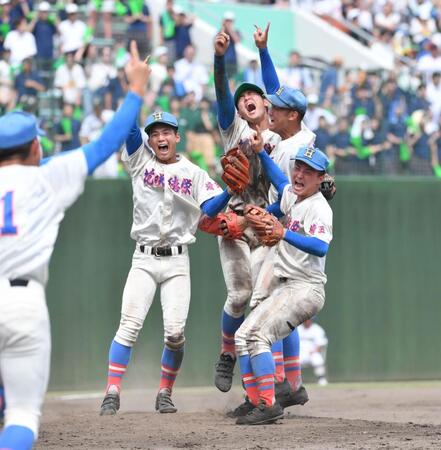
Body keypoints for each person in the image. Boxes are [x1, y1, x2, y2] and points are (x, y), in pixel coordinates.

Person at [0, 40, 149, 450]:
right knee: (22, 416)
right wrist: (135, 89)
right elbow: (104, 146)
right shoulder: (45, 178)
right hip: (21, 303)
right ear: (34, 147)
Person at [99, 110, 235, 416]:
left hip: (177, 261)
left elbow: (209, 208)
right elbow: (130, 131)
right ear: (150, 140)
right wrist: (135, 90)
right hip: (143, 258)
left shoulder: (193, 172)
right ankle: (112, 391)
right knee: (128, 326)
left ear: (177, 137)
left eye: (166, 132)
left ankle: (164, 392)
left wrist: (229, 190)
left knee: (175, 334)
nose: (160, 138)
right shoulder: (140, 161)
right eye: (155, 133)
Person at [210, 24, 313, 418]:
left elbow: (279, 95)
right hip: (238, 222)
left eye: (255, 95)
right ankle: (227, 356)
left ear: (268, 106)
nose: (248, 99)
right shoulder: (234, 129)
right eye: (243, 98)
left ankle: (274, 390)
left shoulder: (278, 138)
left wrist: (264, 51)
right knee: (241, 299)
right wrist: (220, 59)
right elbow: (222, 93)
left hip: (268, 226)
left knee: (268, 305)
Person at [235, 136, 333, 425]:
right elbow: (280, 182)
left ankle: (269, 404)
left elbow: (321, 246)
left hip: (307, 288)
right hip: (287, 286)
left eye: (309, 171)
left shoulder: (319, 208)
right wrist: (259, 153)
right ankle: (256, 401)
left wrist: (283, 233)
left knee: (260, 337)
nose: (300, 174)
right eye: (298, 167)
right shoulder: (293, 194)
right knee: (243, 336)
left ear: (320, 178)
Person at [298, 319, 328, 386]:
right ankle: (295, 381)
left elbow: (320, 344)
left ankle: (321, 379)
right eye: (305, 320)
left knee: (317, 358)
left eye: (308, 319)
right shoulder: (298, 329)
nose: (306, 321)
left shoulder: (317, 329)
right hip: (300, 354)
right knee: (293, 361)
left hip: (312, 353)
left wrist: (314, 351)